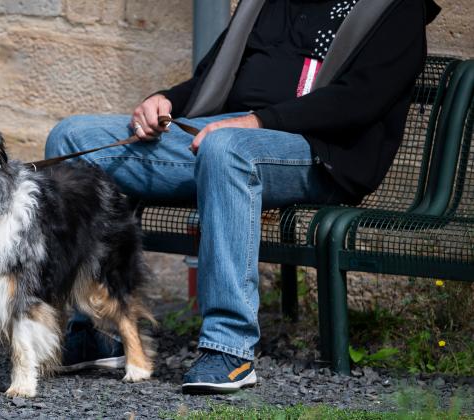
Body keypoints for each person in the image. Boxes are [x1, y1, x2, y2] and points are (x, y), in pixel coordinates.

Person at [45, 0, 440, 394]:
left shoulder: (395, 9)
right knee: (74, 135)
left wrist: (258, 122)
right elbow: (216, 76)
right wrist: (165, 100)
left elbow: (359, 100)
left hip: (319, 150)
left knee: (228, 149)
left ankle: (228, 346)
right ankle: (100, 328)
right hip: (226, 133)